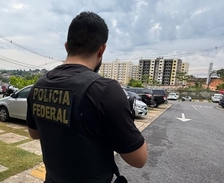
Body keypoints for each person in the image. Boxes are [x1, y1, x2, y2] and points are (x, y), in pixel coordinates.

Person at [26, 11, 148, 183]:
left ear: (67, 46)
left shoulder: (39, 84)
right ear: (102, 49)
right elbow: (139, 159)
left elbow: (34, 133)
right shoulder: (105, 90)